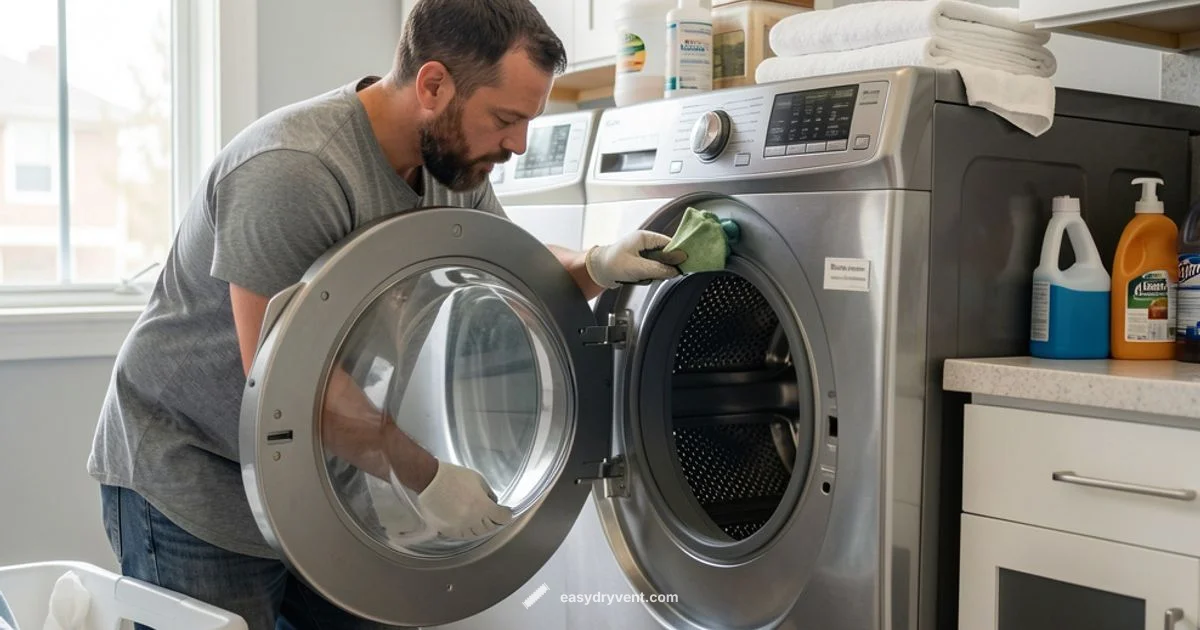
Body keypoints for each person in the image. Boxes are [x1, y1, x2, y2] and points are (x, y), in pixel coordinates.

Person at [85, 0, 685, 628]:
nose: (518, 144)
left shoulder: (451, 167)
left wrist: (597, 262)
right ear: (433, 85)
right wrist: (430, 479)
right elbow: (285, 388)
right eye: (506, 119)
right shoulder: (294, 171)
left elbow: (519, 270)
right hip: (197, 472)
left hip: (319, 471)